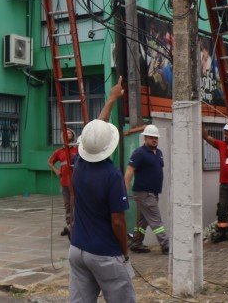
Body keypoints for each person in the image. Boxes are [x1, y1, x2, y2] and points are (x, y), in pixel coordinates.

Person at [69, 76, 136, 303]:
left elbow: (95, 135)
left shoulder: (79, 162)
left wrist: (111, 99)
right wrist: (125, 254)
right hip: (105, 254)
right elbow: (118, 221)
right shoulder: (112, 176)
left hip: (77, 250)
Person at [124, 124, 169, 255]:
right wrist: (124, 190)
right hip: (143, 192)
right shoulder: (139, 153)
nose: (154, 140)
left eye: (156, 137)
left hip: (154, 193)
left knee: (143, 221)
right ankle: (166, 245)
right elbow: (129, 171)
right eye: (151, 137)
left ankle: (136, 243)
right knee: (156, 219)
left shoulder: (159, 153)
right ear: (145, 138)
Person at [47, 128, 77, 237]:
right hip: (64, 183)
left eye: (69, 132)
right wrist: (56, 170)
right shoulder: (59, 152)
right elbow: (50, 162)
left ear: (73, 136)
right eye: (65, 133)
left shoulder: (77, 149)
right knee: (67, 205)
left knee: (77, 205)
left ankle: (74, 227)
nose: (67, 134)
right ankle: (69, 226)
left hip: (76, 183)